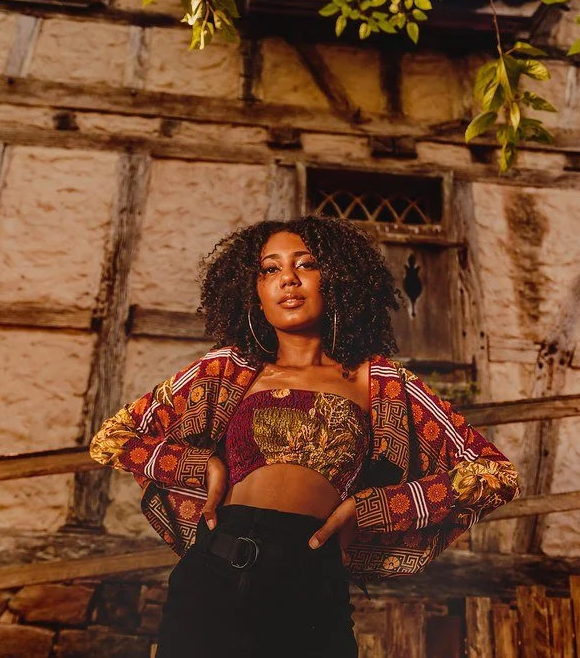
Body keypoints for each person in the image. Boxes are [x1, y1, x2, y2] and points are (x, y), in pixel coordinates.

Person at [90, 216, 520, 658]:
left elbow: (495, 474)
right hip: (212, 573)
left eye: (306, 264)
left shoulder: (382, 382)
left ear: (336, 281)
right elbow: (114, 437)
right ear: (254, 292)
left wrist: (371, 509)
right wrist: (198, 466)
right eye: (270, 269)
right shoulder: (227, 370)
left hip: (311, 578)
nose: (288, 280)